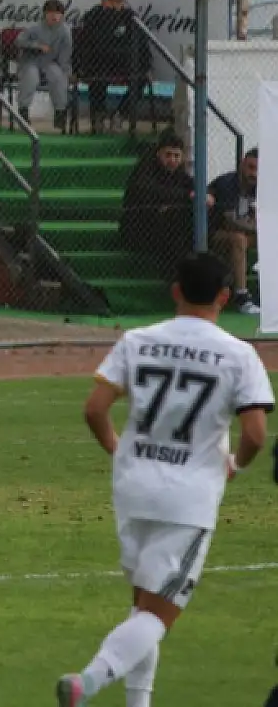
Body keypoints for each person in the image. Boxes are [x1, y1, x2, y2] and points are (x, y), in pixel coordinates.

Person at [55, 252, 272, 706]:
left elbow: (95, 409)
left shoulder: (138, 340)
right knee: (158, 614)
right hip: (188, 497)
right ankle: (88, 682)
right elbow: (255, 433)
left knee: (143, 606)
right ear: (225, 297)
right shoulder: (238, 354)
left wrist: (119, 449)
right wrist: (237, 466)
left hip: (133, 487)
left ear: (175, 291)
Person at [74, 0, 150, 134]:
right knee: (96, 77)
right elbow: (82, 45)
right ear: (103, 0)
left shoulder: (131, 18)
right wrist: (77, 69)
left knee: (141, 79)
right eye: (111, 1)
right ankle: (98, 117)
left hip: (124, 63)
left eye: (118, 1)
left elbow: (143, 46)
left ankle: (120, 115)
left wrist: (146, 67)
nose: (114, 5)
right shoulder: (92, 16)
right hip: (98, 61)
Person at [119, 134, 196, 276]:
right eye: (168, 155)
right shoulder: (145, 171)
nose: (172, 160)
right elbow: (147, 192)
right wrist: (184, 197)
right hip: (139, 231)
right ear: (158, 154)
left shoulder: (180, 175)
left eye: (176, 156)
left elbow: (193, 189)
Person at [207, 148, 258, 315]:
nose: (254, 174)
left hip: (247, 233)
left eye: (258, 169)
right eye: (251, 167)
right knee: (238, 239)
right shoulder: (227, 183)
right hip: (214, 233)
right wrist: (260, 227)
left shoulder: (263, 186)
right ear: (242, 165)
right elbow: (230, 221)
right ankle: (242, 297)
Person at [17, 0, 74, 132]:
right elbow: (19, 41)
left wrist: (66, 72)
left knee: (58, 77)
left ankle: (60, 114)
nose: (54, 16)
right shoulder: (35, 29)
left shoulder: (65, 32)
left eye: (57, 13)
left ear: (62, 15)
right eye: (50, 13)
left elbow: (65, 55)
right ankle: (23, 112)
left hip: (50, 62)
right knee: (31, 77)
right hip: (31, 62)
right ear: (44, 14)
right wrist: (36, 46)